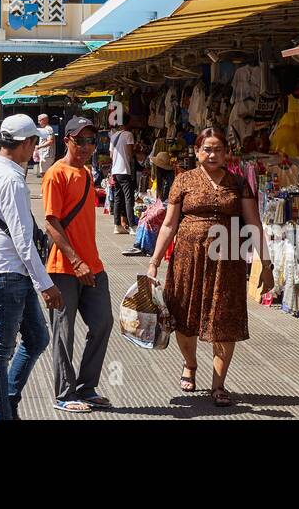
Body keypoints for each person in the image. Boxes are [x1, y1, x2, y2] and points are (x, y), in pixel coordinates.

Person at [147, 127, 273, 407]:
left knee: (225, 318)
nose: (212, 154)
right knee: (184, 314)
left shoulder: (239, 183)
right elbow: (169, 224)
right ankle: (190, 363)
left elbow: (253, 224)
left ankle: (219, 384)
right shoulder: (183, 181)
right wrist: (154, 262)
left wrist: (266, 264)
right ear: (197, 151)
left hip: (228, 259)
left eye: (218, 149)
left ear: (226, 153)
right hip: (187, 258)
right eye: (207, 148)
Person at [0, 114, 64, 420]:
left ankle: (8, 400)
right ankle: (2, 414)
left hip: (8, 271)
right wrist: (47, 285)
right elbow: (23, 240)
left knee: (37, 338)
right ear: (26, 144)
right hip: (6, 275)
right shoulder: (12, 179)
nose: (36, 147)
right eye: (35, 141)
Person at [43, 117, 114, 413]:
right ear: (67, 140)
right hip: (64, 267)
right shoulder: (55, 174)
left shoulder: (86, 173)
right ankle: (65, 393)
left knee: (103, 322)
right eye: (80, 140)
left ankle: (86, 386)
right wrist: (75, 259)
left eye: (91, 141)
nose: (86, 147)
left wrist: (87, 262)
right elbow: (51, 222)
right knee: (64, 330)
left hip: (92, 264)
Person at [108, 122, 136, 235]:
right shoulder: (128, 135)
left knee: (118, 198)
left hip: (115, 171)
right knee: (129, 198)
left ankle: (117, 225)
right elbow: (129, 153)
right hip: (125, 170)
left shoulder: (113, 136)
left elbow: (111, 155)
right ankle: (132, 226)